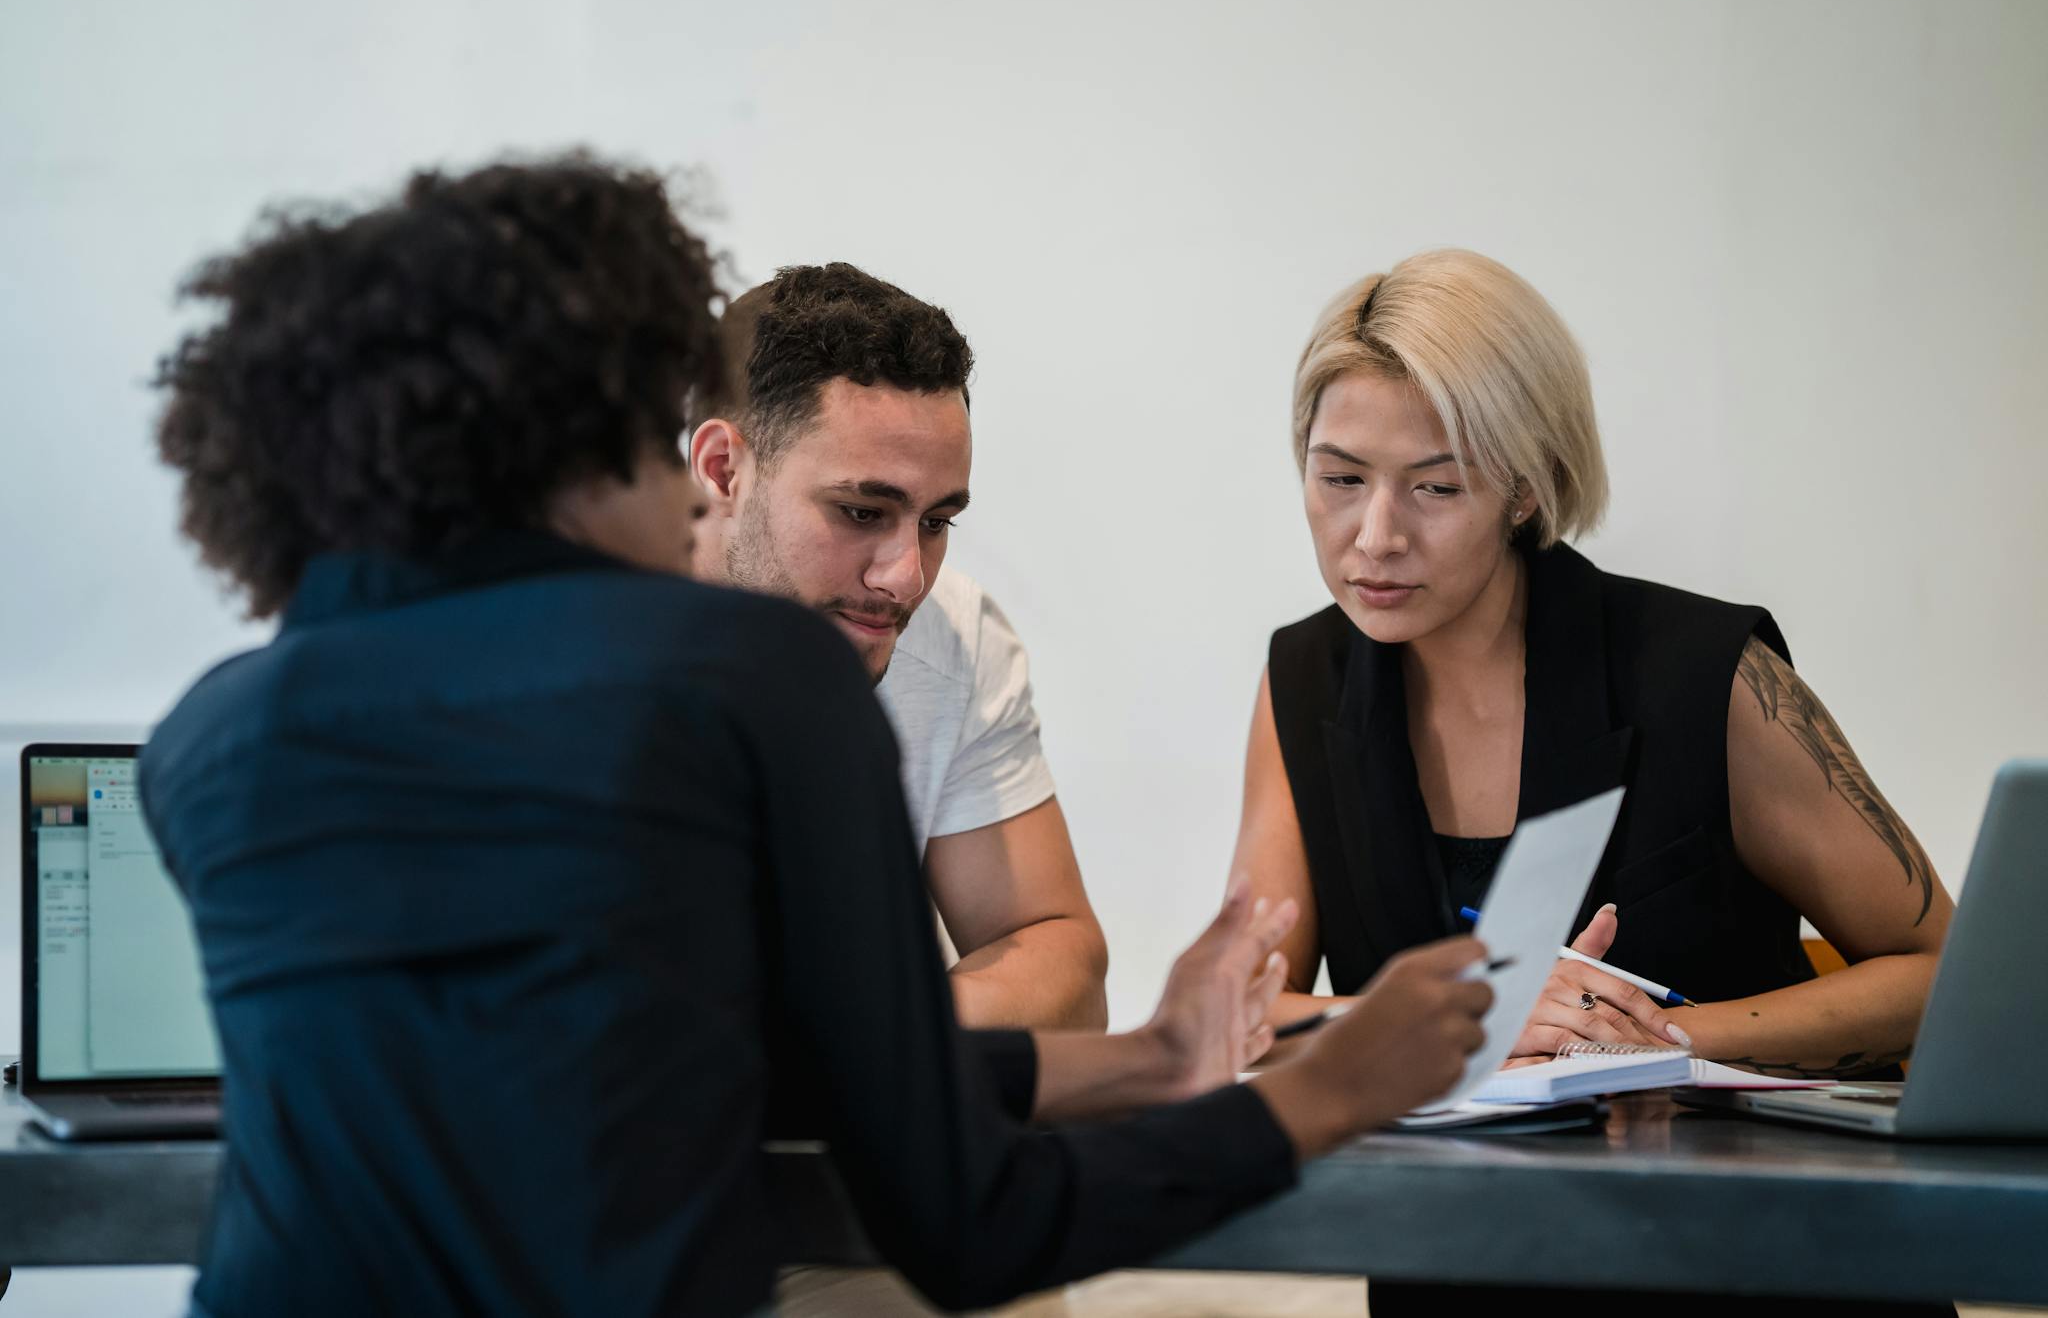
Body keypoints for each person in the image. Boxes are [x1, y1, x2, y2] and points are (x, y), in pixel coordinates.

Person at [140, 155, 1494, 1318]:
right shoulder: (747, 679)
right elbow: (969, 1222)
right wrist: (1321, 1097)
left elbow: (647, 1056)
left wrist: (1147, 1055)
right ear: (592, 443)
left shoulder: (209, 743)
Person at [1232, 247, 1955, 1315]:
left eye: (1434, 486)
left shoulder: (1703, 677)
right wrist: (1432, 1027)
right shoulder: (1305, 680)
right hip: (1468, 1268)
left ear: (1524, 486)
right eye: (1339, 478)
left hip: (1752, 1268)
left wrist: (1653, 1044)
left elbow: (1945, 971)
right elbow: (1239, 1017)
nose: (1372, 537)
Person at [689, 265, 1107, 1030]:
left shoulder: (951, 635)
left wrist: (870, 1036)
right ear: (724, 470)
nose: (906, 577)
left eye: (937, 520)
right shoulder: (568, 645)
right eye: (860, 511)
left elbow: (1062, 961)